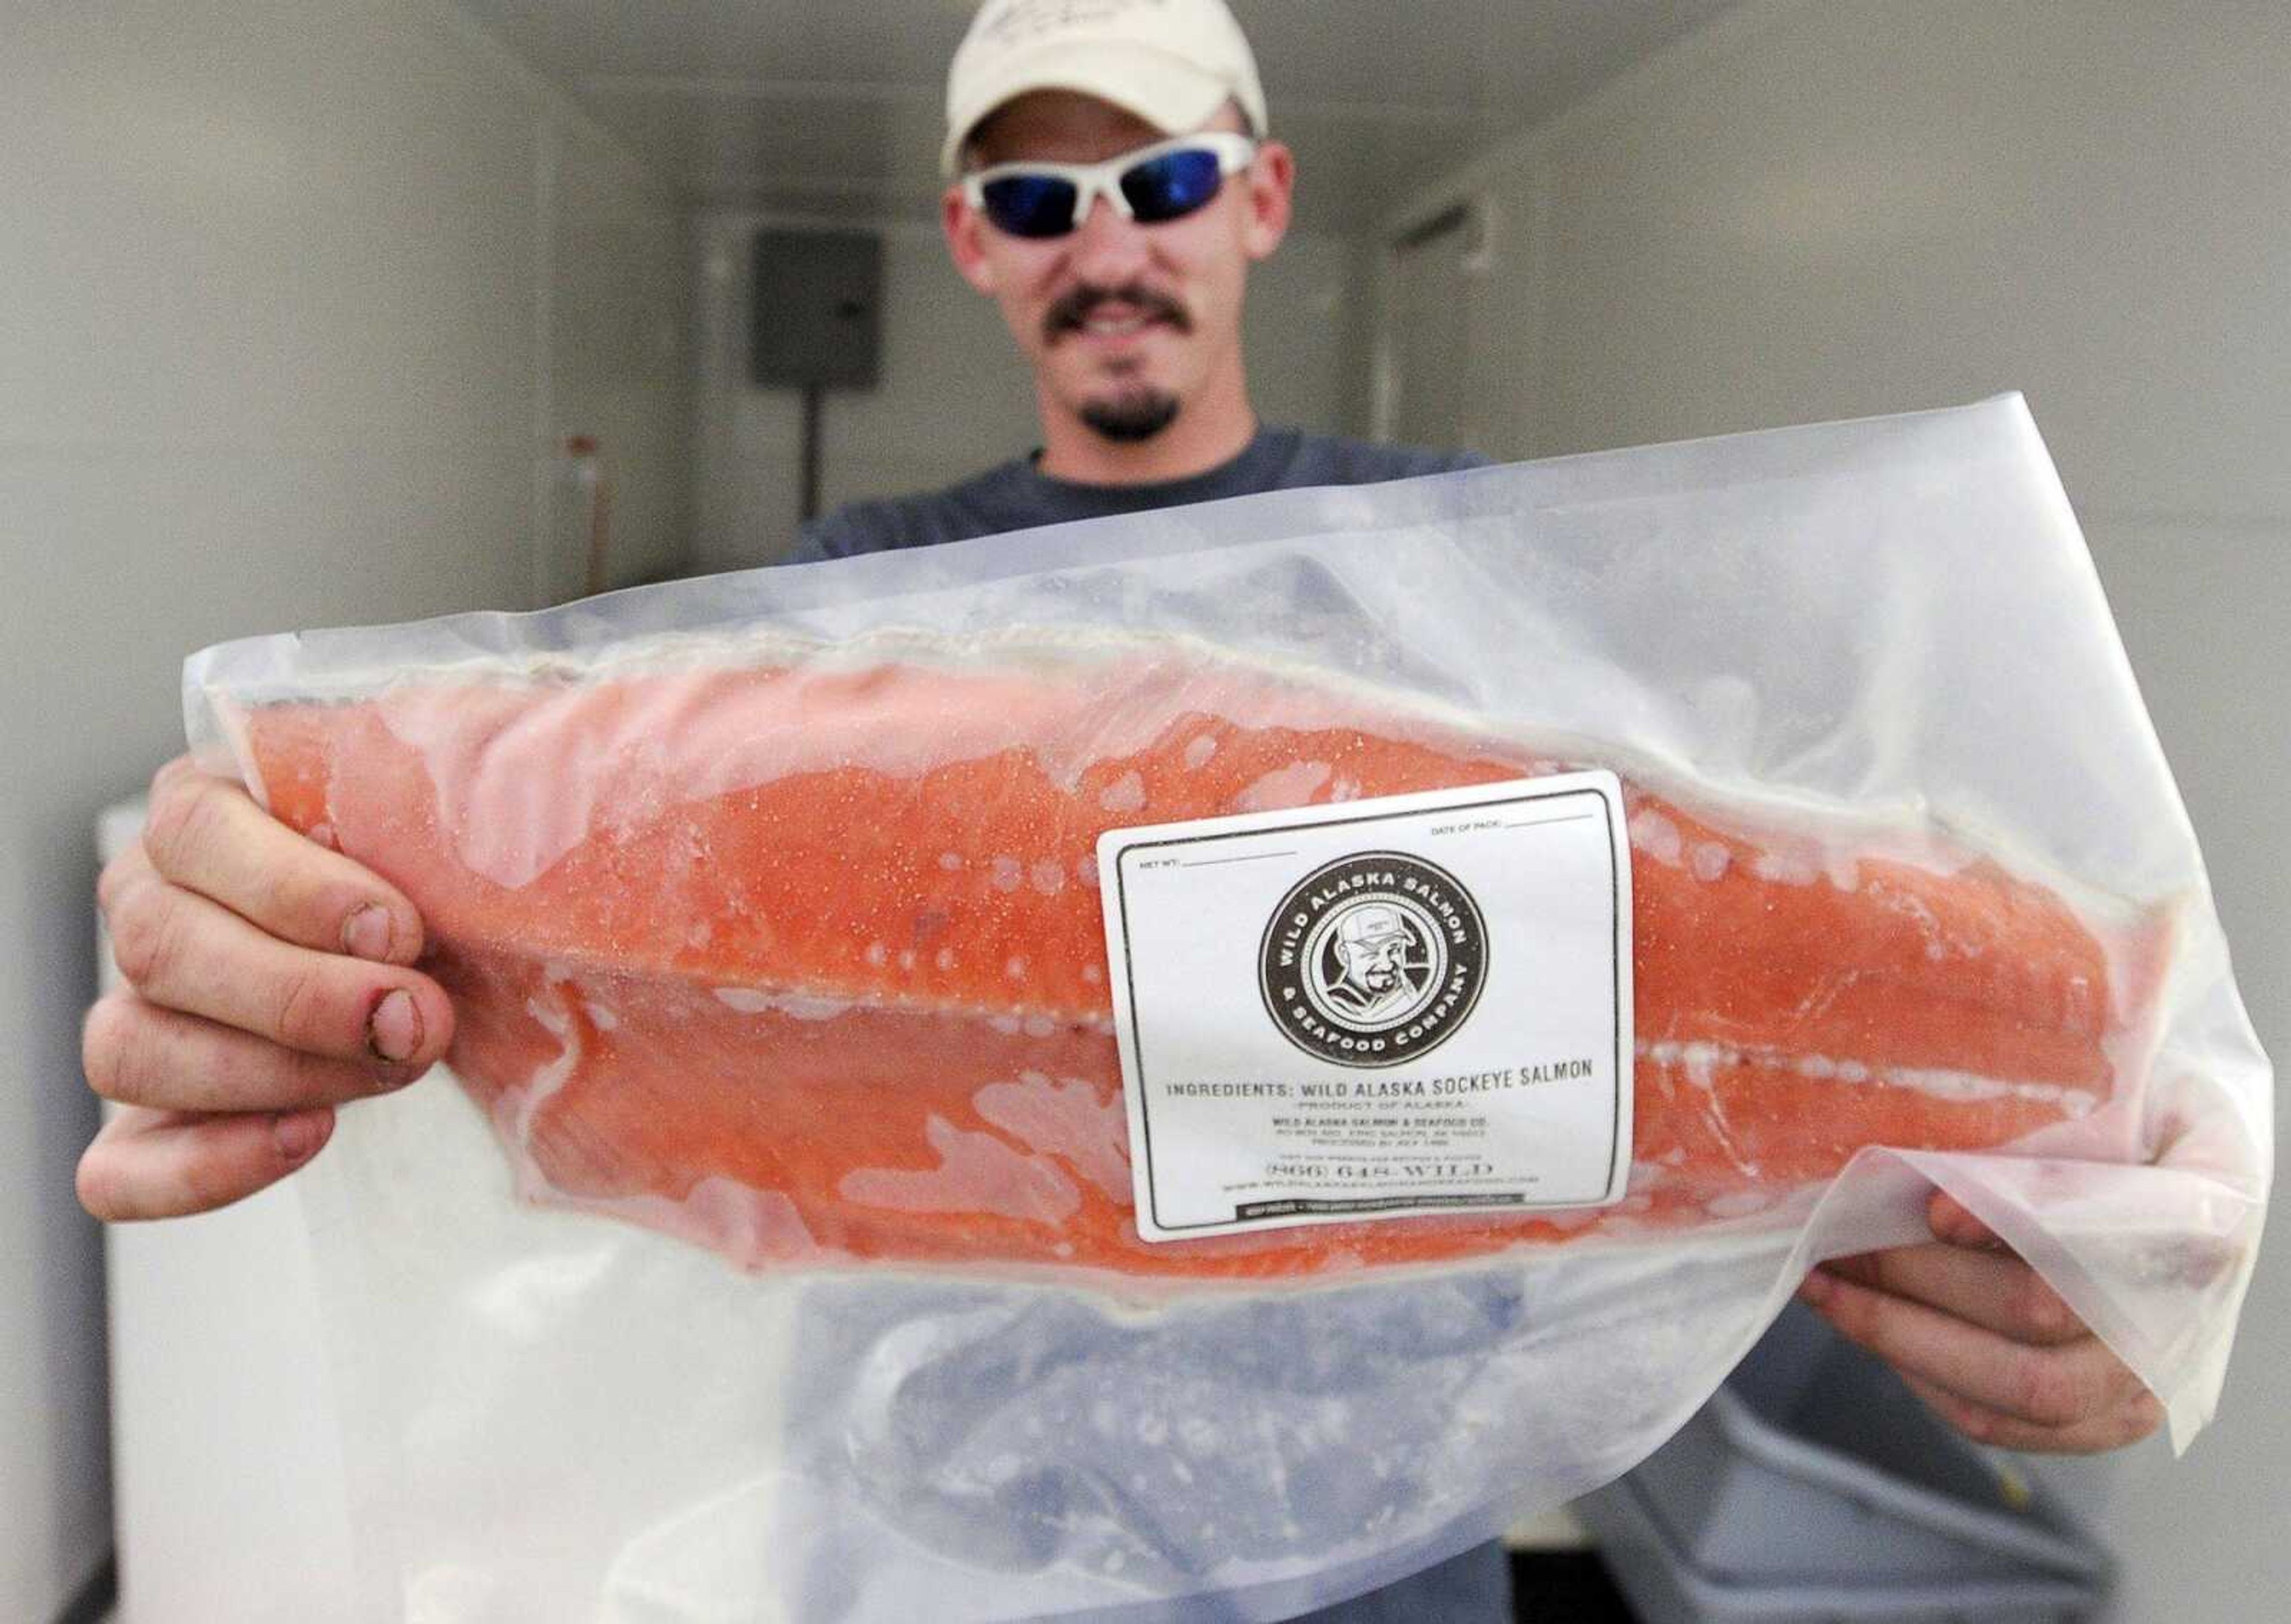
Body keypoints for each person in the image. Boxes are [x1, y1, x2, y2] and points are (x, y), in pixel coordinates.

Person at [78, 0, 2165, 1614]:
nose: (1107, 249)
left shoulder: (1473, 588)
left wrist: (2121, 1165)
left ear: (1259, 199)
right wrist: (274, 886)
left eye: (1158, 183)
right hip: (933, 1543)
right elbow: (525, 904)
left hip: (1377, 1553)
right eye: (1035, 202)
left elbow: (1716, 1011)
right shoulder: (836, 609)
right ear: (972, 250)